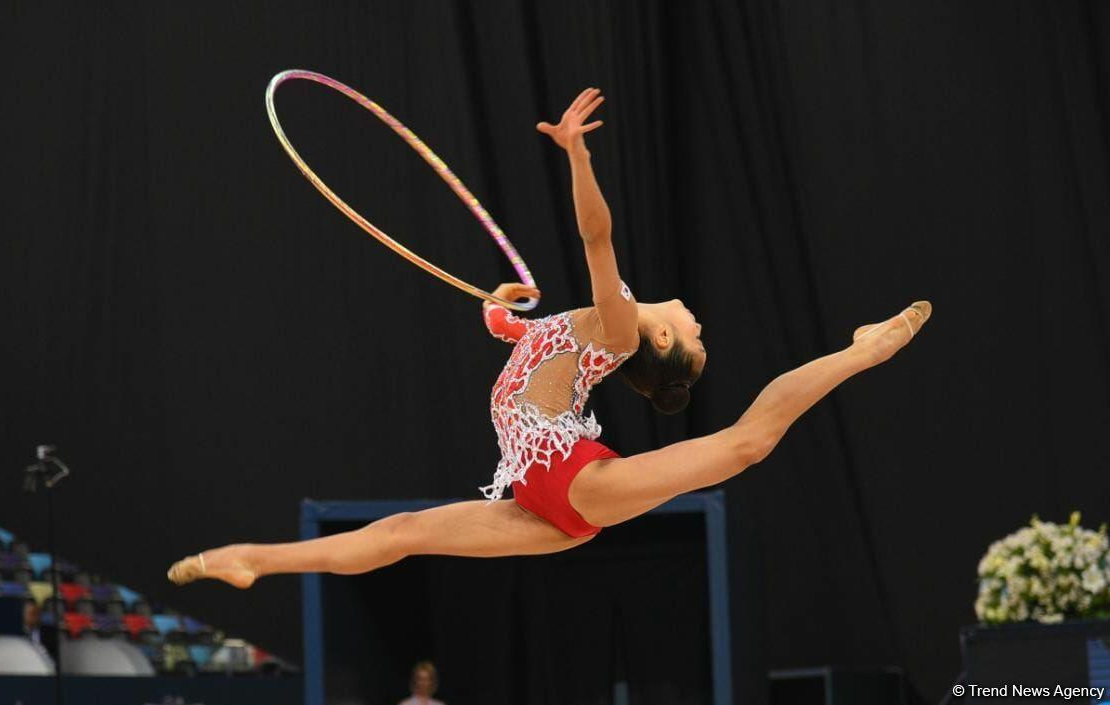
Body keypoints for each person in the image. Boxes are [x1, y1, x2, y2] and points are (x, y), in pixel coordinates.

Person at [167, 87, 930, 588]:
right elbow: (516, 338)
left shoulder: (620, 326)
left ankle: (862, 349)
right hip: (543, 502)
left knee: (745, 444)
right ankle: (250, 559)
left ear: (662, 336)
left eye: (694, 337)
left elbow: (597, 236)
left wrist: (578, 155)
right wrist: (500, 311)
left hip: (572, 482)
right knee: (399, 533)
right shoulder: (583, 329)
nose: (699, 322)